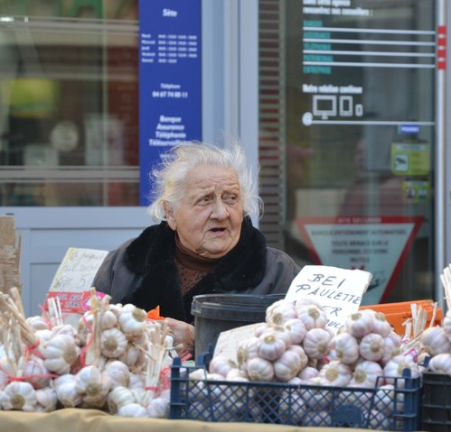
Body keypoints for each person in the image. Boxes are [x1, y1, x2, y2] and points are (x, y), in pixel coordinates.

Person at [92, 141, 301, 353]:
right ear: (171, 213)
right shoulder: (125, 262)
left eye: (231, 198)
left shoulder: (278, 271)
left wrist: (199, 341)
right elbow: (90, 335)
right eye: (205, 200)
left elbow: (291, 352)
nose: (221, 213)